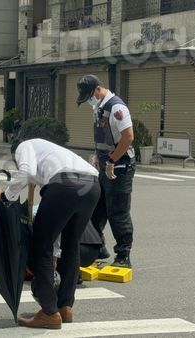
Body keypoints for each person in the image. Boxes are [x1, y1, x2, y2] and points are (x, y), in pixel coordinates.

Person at [0, 138, 100, 329]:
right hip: (92, 185)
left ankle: (49, 312)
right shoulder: (52, 152)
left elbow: (26, 172)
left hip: (66, 186)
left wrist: (6, 195)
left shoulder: (24, 146)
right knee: (71, 245)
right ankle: (65, 307)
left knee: (40, 245)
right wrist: (55, 254)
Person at [76, 74, 136, 268]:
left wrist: (111, 160)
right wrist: (97, 157)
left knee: (117, 212)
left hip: (120, 166)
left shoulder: (116, 107)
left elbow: (128, 137)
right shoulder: (99, 107)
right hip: (104, 165)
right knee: (96, 208)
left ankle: (123, 256)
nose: (88, 100)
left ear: (97, 89)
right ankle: (98, 247)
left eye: (89, 95)